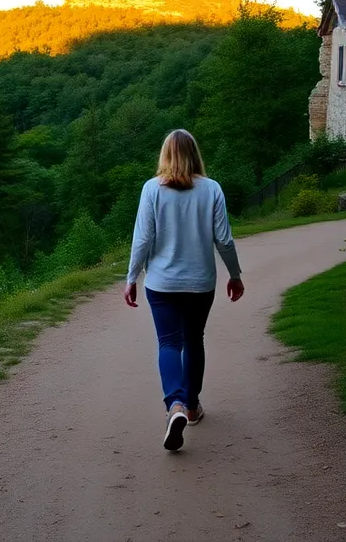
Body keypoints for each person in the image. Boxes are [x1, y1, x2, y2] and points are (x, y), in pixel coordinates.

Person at [124, 129, 244, 451]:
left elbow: (143, 239)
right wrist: (235, 275)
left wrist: (131, 277)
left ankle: (174, 405)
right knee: (194, 341)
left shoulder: (152, 189)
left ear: (165, 155)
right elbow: (224, 239)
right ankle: (191, 406)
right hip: (200, 282)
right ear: (195, 154)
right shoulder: (212, 189)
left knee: (168, 343)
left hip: (161, 283)